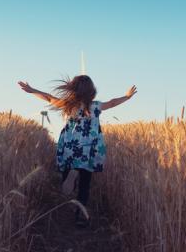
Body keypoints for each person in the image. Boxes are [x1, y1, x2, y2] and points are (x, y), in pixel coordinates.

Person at [18, 75, 136, 227]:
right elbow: (112, 103)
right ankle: (80, 216)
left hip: (71, 146)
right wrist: (127, 96)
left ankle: (71, 175)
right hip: (89, 149)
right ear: (91, 91)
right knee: (85, 184)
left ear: (73, 89)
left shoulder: (68, 105)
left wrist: (31, 90)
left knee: (69, 171)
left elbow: (48, 98)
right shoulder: (95, 106)